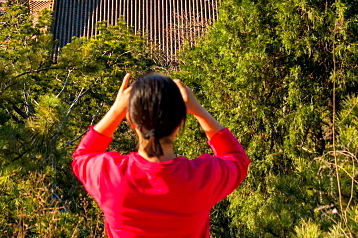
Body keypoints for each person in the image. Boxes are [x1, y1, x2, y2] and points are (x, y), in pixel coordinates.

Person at [72, 74, 249, 238]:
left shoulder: (110, 175)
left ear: (132, 121)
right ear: (180, 122)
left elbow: (84, 154)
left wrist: (116, 111)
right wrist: (199, 110)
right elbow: (236, 158)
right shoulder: (201, 178)